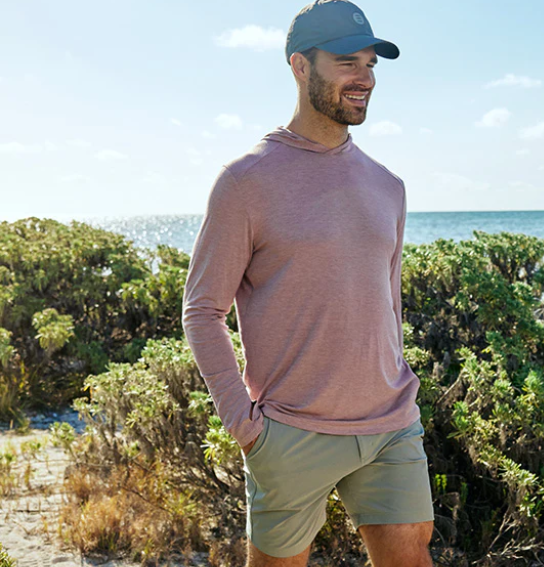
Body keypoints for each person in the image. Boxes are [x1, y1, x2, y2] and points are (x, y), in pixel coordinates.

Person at [181, 2, 433, 566]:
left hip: (391, 423)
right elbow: (202, 311)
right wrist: (247, 429)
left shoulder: (388, 185)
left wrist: (399, 385)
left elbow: (385, 303)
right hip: (292, 432)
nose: (364, 78)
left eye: (371, 64)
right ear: (300, 66)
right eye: (348, 62)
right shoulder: (245, 181)